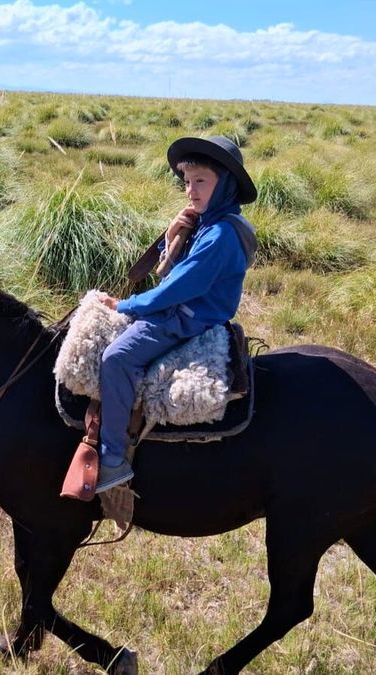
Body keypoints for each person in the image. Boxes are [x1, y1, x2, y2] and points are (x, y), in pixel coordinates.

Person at [94, 135, 258, 493]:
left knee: (116, 357)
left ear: (225, 185)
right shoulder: (212, 225)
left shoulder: (219, 235)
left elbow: (176, 288)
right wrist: (172, 237)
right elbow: (175, 274)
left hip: (185, 318)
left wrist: (126, 305)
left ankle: (111, 459)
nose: (191, 191)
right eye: (187, 182)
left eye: (201, 181)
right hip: (187, 309)